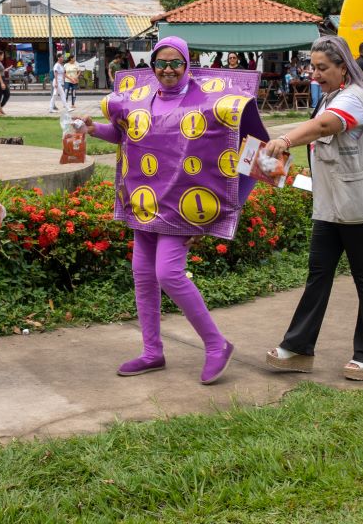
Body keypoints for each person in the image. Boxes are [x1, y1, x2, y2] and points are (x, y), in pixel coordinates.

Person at [84, 35, 269, 384]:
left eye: (175, 63)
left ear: (187, 64)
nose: (168, 70)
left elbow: (243, 141)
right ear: (152, 65)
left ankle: (216, 345)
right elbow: (124, 135)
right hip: (145, 202)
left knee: (168, 274)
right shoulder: (141, 100)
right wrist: (94, 130)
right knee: (142, 274)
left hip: (184, 208)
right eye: (161, 63)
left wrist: (258, 176)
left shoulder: (208, 102)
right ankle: (152, 351)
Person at [261, 36, 363, 381]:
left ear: (342, 67)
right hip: (331, 203)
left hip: (360, 205)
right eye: (312, 67)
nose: (314, 74)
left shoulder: (355, 98)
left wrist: (285, 140)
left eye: (322, 68)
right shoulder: (333, 96)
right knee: (318, 274)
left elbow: (323, 127)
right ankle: (299, 348)